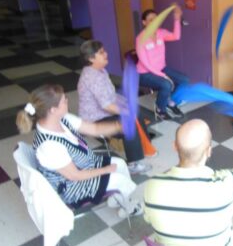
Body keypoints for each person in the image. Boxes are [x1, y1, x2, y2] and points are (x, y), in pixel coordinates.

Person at [16, 84, 142, 218]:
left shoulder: (63, 119)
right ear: (53, 109)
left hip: (83, 165)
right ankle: (129, 207)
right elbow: (75, 176)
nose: (67, 101)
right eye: (64, 100)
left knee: (120, 164)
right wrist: (105, 170)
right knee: (119, 179)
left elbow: (94, 129)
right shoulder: (49, 146)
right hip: (72, 187)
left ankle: (121, 199)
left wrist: (118, 126)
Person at [143, 105, 233, 246]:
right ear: (209, 151)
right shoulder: (225, 186)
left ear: (175, 146)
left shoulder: (152, 185)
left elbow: (148, 218)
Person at [77, 40, 155, 174]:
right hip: (95, 119)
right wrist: (126, 111)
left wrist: (127, 104)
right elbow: (106, 105)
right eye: (101, 53)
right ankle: (133, 164)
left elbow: (111, 95)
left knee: (136, 110)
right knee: (129, 122)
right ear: (91, 58)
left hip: (104, 112)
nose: (106, 54)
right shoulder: (92, 77)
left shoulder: (100, 70)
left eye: (104, 50)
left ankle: (143, 143)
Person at [136, 6, 189, 120]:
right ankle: (160, 109)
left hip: (161, 69)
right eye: (151, 20)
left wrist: (176, 19)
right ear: (144, 22)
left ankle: (169, 101)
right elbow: (146, 64)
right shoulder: (140, 38)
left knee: (184, 80)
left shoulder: (161, 33)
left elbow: (176, 36)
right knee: (167, 84)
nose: (154, 22)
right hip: (144, 73)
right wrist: (164, 76)